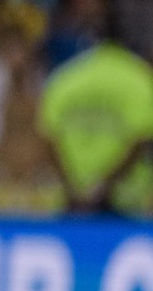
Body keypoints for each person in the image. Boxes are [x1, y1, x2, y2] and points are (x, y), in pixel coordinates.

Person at [38, 36, 153, 215]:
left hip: (71, 195)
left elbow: (48, 137)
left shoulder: (64, 76)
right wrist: (104, 186)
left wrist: (70, 186)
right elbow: (139, 141)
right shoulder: (139, 78)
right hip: (126, 199)